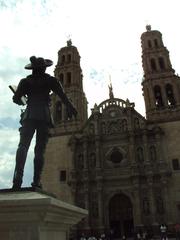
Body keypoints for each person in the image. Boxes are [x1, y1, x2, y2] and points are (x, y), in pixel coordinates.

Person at [12, 56, 77, 189]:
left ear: (33, 69)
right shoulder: (51, 80)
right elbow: (63, 96)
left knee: (23, 146)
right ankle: (36, 181)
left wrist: (22, 99)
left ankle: (17, 180)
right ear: (44, 68)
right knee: (39, 151)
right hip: (44, 116)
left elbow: (16, 99)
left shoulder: (25, 82)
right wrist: (72, 108)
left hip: (29, 115)